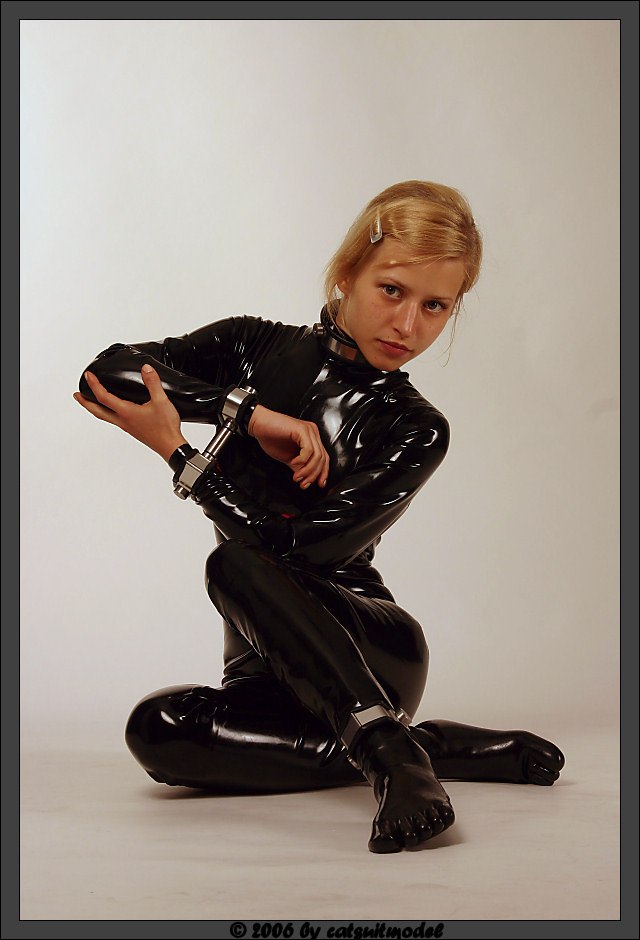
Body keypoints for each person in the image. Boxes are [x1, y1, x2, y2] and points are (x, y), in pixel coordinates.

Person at [74, 180, 564, 854]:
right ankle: (426, 746)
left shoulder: (415, 428)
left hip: (372, 651)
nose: (408, 325)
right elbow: (107, 374)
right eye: (391, 290)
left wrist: (183, 455)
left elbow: (294, 557)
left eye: (435, 306)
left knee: (235, 562)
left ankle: (389, 752)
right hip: (261, 671)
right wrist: (246, 413)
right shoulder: (253, 347)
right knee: (156, 730)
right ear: (347, 272)